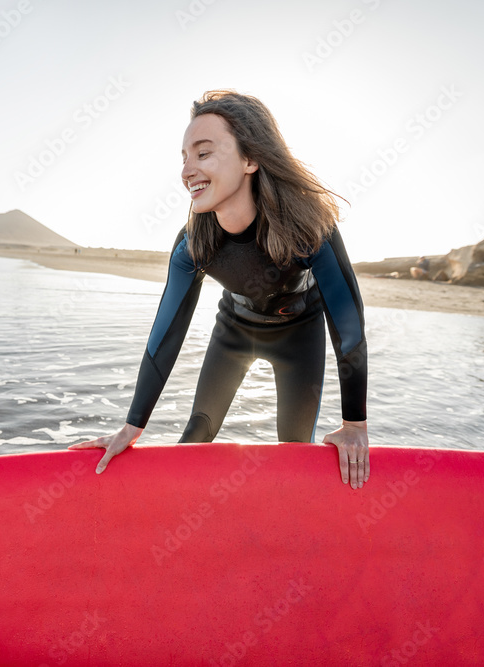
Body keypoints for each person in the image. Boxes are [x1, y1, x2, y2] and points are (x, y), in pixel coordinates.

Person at [69, 90, 369, 489]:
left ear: (250, 159)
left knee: (295, 452)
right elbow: (166, 333)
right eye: (184, 157)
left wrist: (354, 425)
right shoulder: (193, 242)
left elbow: (347, 326)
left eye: (203, 153)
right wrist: (132, 424)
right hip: (235, 332)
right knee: (195, 436)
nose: (187, 170)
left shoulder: (309, 227)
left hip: (300, 336)